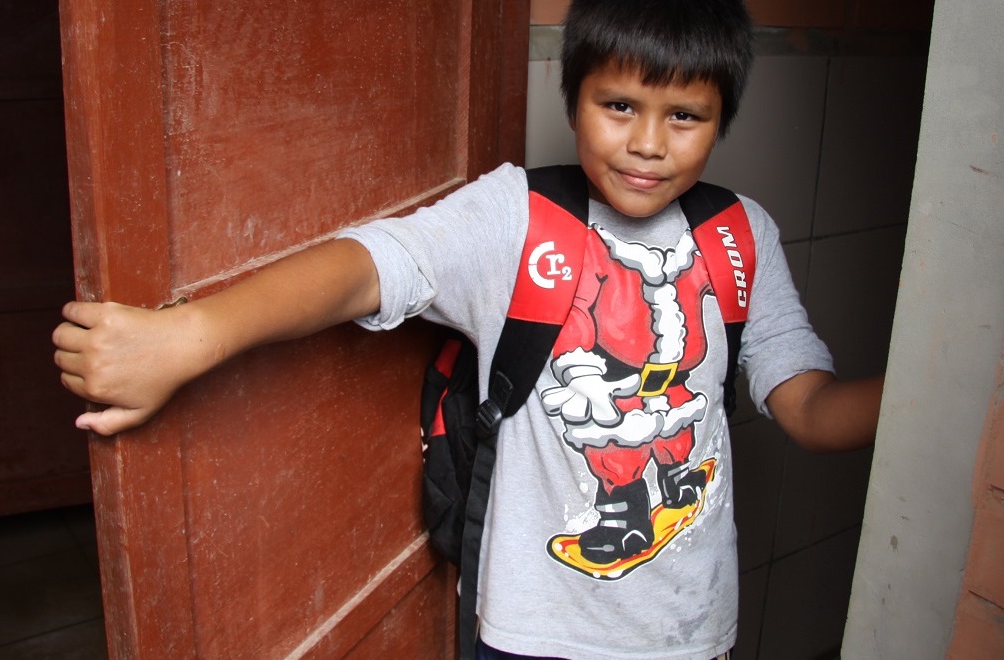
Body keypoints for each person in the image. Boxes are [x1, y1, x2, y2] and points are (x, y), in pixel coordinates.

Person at [53, 0, 884, 657]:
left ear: (721, 119)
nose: (645, 145)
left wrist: (932, 397)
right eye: (619, 104)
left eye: (684, 117)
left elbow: (805, 405)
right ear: (574, 97)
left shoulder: (742, 233)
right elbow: (369, 265)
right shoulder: (516, 216)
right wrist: (190, 338)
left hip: (688, 631)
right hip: (532, 632)